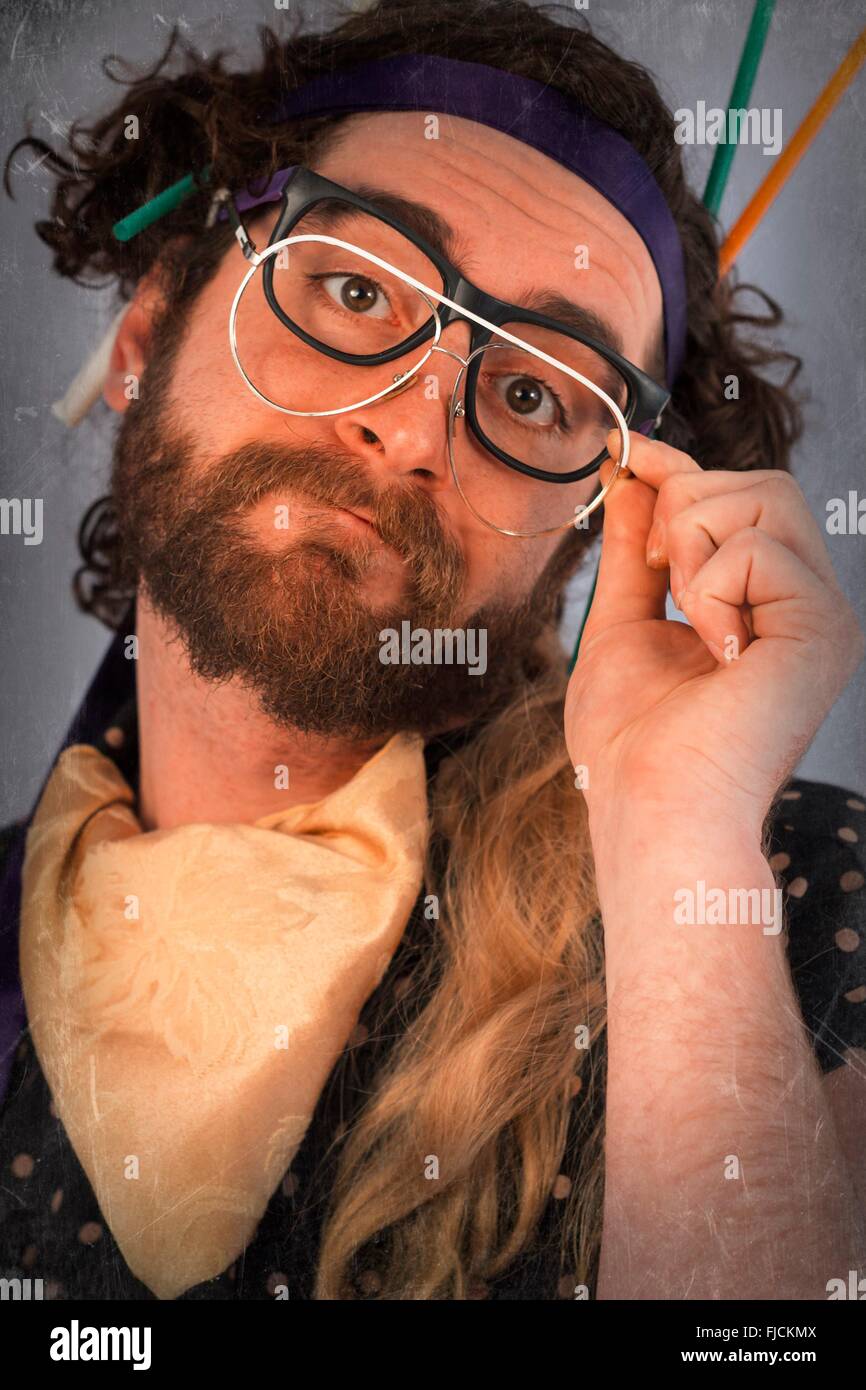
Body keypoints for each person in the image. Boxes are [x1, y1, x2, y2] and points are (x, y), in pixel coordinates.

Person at [0, 0, 864, 1302]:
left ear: (585, 538)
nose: (413, 430)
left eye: (529, 391)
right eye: (356, 289)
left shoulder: (775, 892)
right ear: (149, 328)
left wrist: (679, 838)